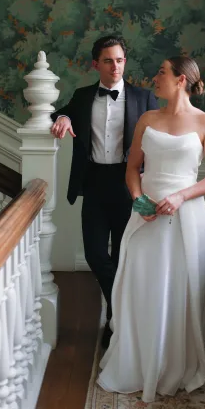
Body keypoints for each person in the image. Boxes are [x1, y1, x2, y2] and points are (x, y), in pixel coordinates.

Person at [97, 56, 205, 402]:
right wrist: (138, 199)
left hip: (186, 216)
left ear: (181, 80)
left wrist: (181, 196)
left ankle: (173, 363)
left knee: (178, 288)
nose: (155, 77)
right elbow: (132, 169)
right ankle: (137, 360)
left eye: (162, 72)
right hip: (146, 214)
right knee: (141, 283)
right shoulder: (147, 119)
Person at [50, 35, 158, 348]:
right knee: (95, 253)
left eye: (120, 60)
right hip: (95, 182)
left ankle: (114, 323)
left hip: (129, 183)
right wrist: (65, 117)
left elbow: (159, 138)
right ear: (95, 64)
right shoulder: (83, 96)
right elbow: (57, 114)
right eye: (108, 60)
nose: (115, 66)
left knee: (122, 255)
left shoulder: (143, 98)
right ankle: (121, 310)